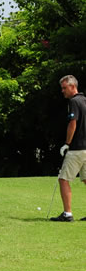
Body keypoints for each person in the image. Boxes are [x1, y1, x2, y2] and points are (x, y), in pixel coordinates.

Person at [51, 74, 86, 222]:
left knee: (63, 179)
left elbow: (73, 123)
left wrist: (67, 143)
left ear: (73, 86)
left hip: (77, 148)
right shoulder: (85, 100)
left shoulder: (74, 101)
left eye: (64, 88)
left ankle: (67, 214)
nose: (62, 91)